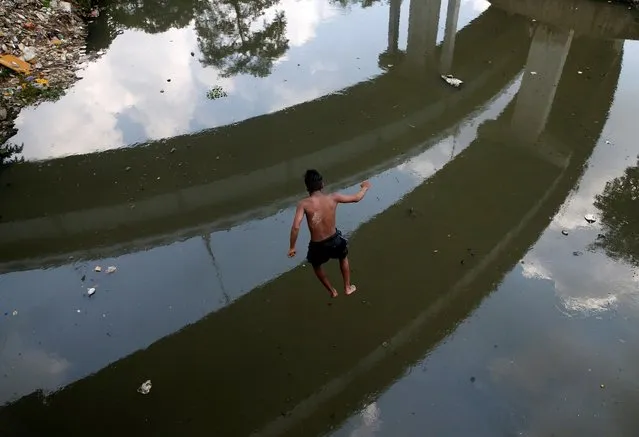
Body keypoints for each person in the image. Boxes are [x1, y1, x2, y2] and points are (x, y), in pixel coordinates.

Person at [288, 169, 371, 298]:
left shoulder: (303, 204)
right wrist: (365, 187)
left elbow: (295, 227)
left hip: (317, 246)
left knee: (316, 266)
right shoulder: (333, 197)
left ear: (307, 187)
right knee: (343, 257)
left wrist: (292, 247)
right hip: (335, 240)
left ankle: (332, 291)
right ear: (322, 185)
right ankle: (347, 287)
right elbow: (356, 198)